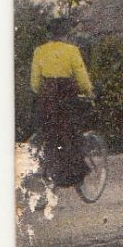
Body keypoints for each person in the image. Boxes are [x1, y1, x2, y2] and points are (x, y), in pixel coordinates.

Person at [29, 15, 94, 188]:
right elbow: (81, 76)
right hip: (66, 95)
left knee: (51, 131)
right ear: (66, 33)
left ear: (50, 34)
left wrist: (43, 93)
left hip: (48, 96)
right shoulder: (72, 50)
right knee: (72, 132)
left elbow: (35, 83)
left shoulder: (39, 51)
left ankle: (49, 169)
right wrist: (89, 92)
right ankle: (73, 174)